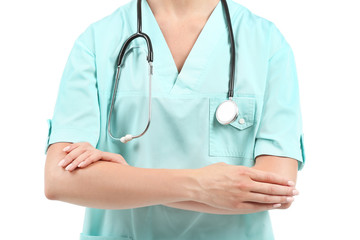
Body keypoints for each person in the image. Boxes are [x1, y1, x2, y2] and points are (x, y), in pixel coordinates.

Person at [44, 0, 306, 239]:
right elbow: (59, 180)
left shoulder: (266, 42)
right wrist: (199, 186)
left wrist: (125, 178)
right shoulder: (97, 41)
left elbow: (277, 189)